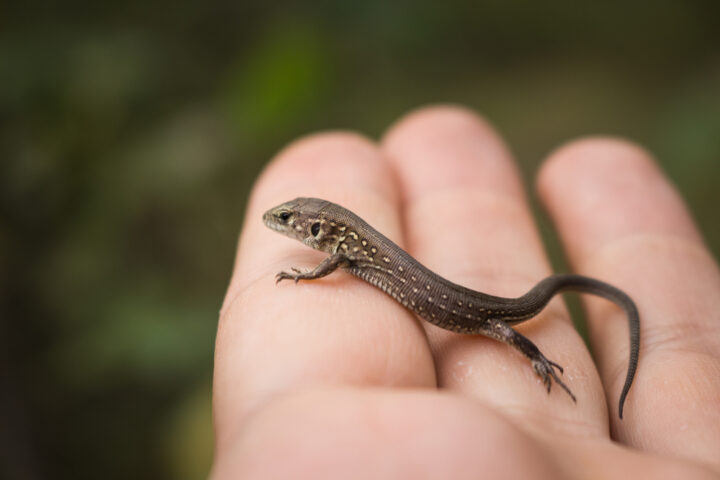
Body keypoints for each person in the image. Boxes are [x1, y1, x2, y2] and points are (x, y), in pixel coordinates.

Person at [210, 105, 720, 478]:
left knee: (504, 330)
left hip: (484, 315)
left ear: (321, 230)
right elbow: (338, 263)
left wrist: (538, 359)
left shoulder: (342, 252)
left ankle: (540, 360)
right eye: (286, 221)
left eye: (290, 222)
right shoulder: (346, 250)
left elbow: (332, 267)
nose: (283, 226)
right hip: (466, 305)